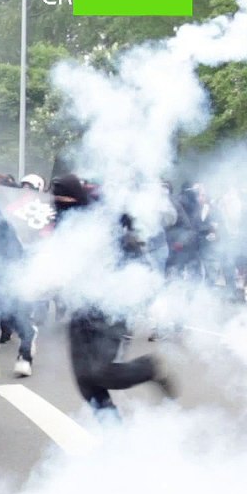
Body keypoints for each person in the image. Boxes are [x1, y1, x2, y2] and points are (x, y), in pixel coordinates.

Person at [51, 174, 176, 420]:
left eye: (63, 200)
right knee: (85, 381)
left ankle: (149, 369)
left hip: (112, 307)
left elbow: (135, 264)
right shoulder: (64, 224)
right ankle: (113, 435)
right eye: (56, 200)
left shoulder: (104, 224)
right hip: (80, 307)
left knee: (101, 371)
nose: (59, 205)